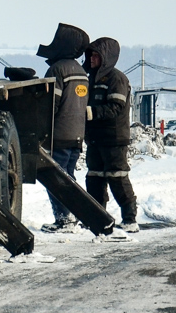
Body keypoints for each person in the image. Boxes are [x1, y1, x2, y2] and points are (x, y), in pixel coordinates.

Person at [36, 23, 91, 233]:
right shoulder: (81, 71)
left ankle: (64, 219)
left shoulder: (57, 69)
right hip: (77, 135)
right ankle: (76, 214)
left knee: (56, 180)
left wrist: (42, 130)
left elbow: (51, 104)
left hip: (59, 135)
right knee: (69, 177)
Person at [84, 37, 140, 233]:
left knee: (117, 177)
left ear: (105, 58)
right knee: (94, 179)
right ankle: (99, 217)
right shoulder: (90, 79)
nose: (91, 58)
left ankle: (130, 218)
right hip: (94, 139)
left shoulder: (117, 79)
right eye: (90, 55)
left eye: (95, 55)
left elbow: (116, 107)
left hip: (114, 140)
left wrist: (92, 113)